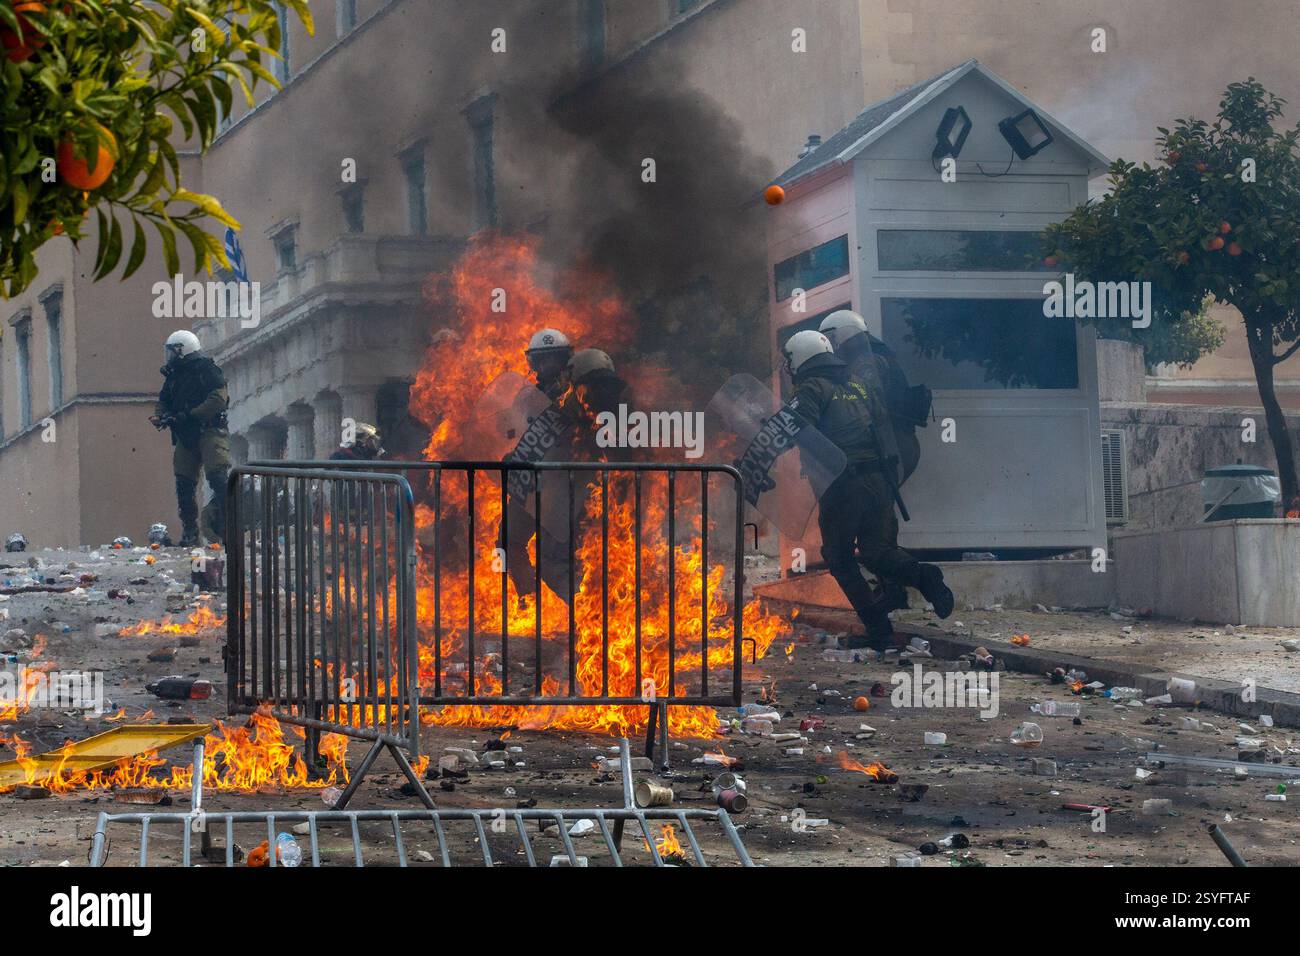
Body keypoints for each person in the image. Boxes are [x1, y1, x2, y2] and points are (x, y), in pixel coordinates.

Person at [757, 330, 953, 643]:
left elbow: (793, 430)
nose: (789, 367)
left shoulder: (811, 387)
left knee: (839, 557)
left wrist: (763, 443)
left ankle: (877, 629)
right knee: (877, 550)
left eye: (791, 360)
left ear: (802, 359)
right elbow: (882, 424)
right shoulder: (858, 385)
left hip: (844, 484)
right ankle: (924, 576)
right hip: (879, 479)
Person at [819, 309, 932, 612]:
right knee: (879, 513)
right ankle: (891, 588)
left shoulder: (867, 361)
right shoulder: (867, 356)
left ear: (842, 333)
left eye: (830, 337)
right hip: (891, 444)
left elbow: (865, 403)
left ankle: (894, 589)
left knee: (877, 520)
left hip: (892, 445)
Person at [150, 330, 231, 547]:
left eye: (172, 351)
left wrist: (191, 415)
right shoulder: (173, 376)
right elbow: (163, 400)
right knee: (184, 484)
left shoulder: (206, 369)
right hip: (185, 435)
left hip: (210, 431)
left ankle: (229, 530)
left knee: (218, 478)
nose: (169, 356)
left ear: (181, 349)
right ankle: (190, 533)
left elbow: (217, 399)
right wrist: (162, 416)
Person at [524, 328, 574, 400]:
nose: (550, 364)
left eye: (556, 358)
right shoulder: (530, 397)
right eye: (542, 359)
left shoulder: (580, 392)